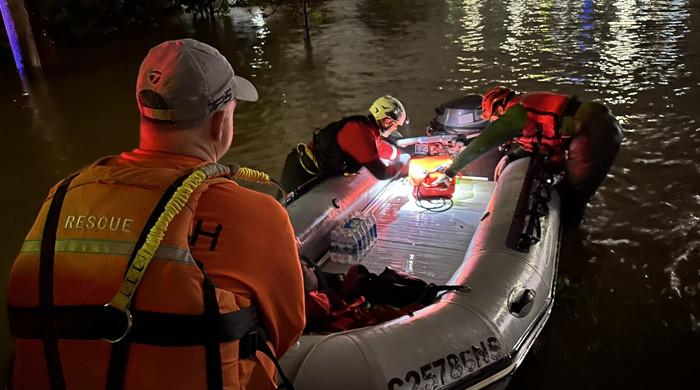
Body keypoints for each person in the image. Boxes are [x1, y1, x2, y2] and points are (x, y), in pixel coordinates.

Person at [6, 39, 304, 390]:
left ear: (143, 109)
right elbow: (287, 330)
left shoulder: (60, 198)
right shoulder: (256, 213)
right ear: (220, 122)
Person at [435, 86, 622, 228]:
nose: (496, 124)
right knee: (573, 192)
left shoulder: (516, 112)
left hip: (593, 130)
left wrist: (450, 171)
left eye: (494, 120)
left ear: (499, 109)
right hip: (599, 125)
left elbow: (483, 143)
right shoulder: (527, 108)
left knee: (575, 194)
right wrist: (511, 157)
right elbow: (541, 142)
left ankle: (571, 244)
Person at [280, 95, 411, 193]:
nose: (396, 129)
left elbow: (381, 148)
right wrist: (405, 166)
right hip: (302, 172)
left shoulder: (364, 129)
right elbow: (382, 173)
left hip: (314, 168)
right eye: (396, 126)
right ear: (387, 121)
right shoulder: (359, 133)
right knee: (284, 208)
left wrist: (403, 153)